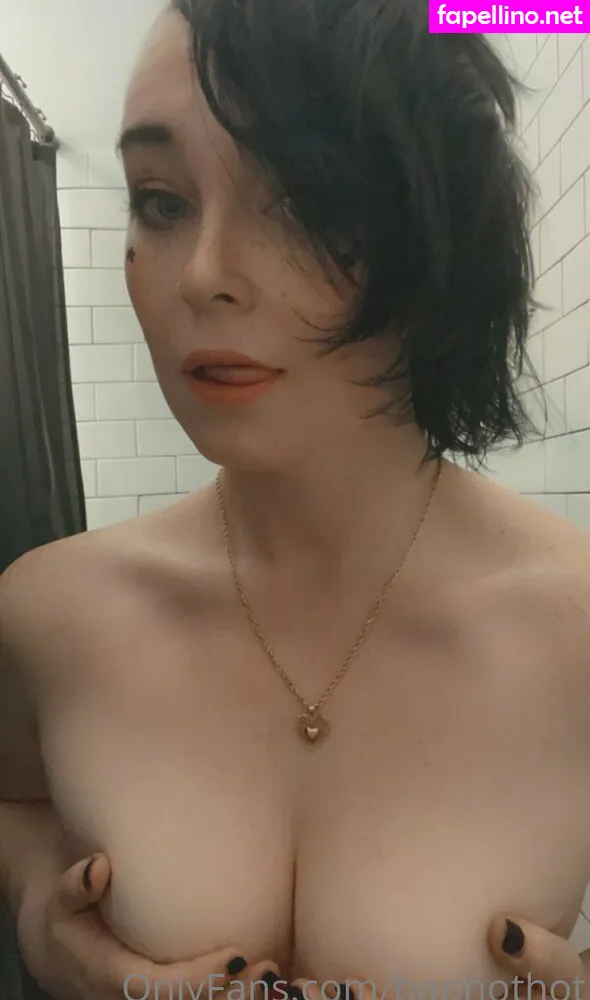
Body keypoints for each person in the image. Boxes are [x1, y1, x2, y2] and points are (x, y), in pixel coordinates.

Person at [1, 1, 590, 998]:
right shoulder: (48, 614)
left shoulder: (573, 630)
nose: (204, 275)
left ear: (437, 233)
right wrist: (40, 922)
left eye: (305, 197)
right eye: (161, 201)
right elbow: (16, 805)